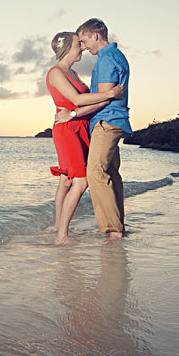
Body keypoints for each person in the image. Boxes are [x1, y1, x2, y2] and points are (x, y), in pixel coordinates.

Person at [55, 18, 130, 244]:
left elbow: (106, 98)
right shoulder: (116, 56)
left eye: (85, 41)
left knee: (95, 173)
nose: (84, 47)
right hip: (112, 120)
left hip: (106, 121)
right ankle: (117, 227)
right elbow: (107, 95)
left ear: (95, 36)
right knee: (110, 174)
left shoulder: (106, 59)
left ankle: (113, 230)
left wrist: (73, 114)